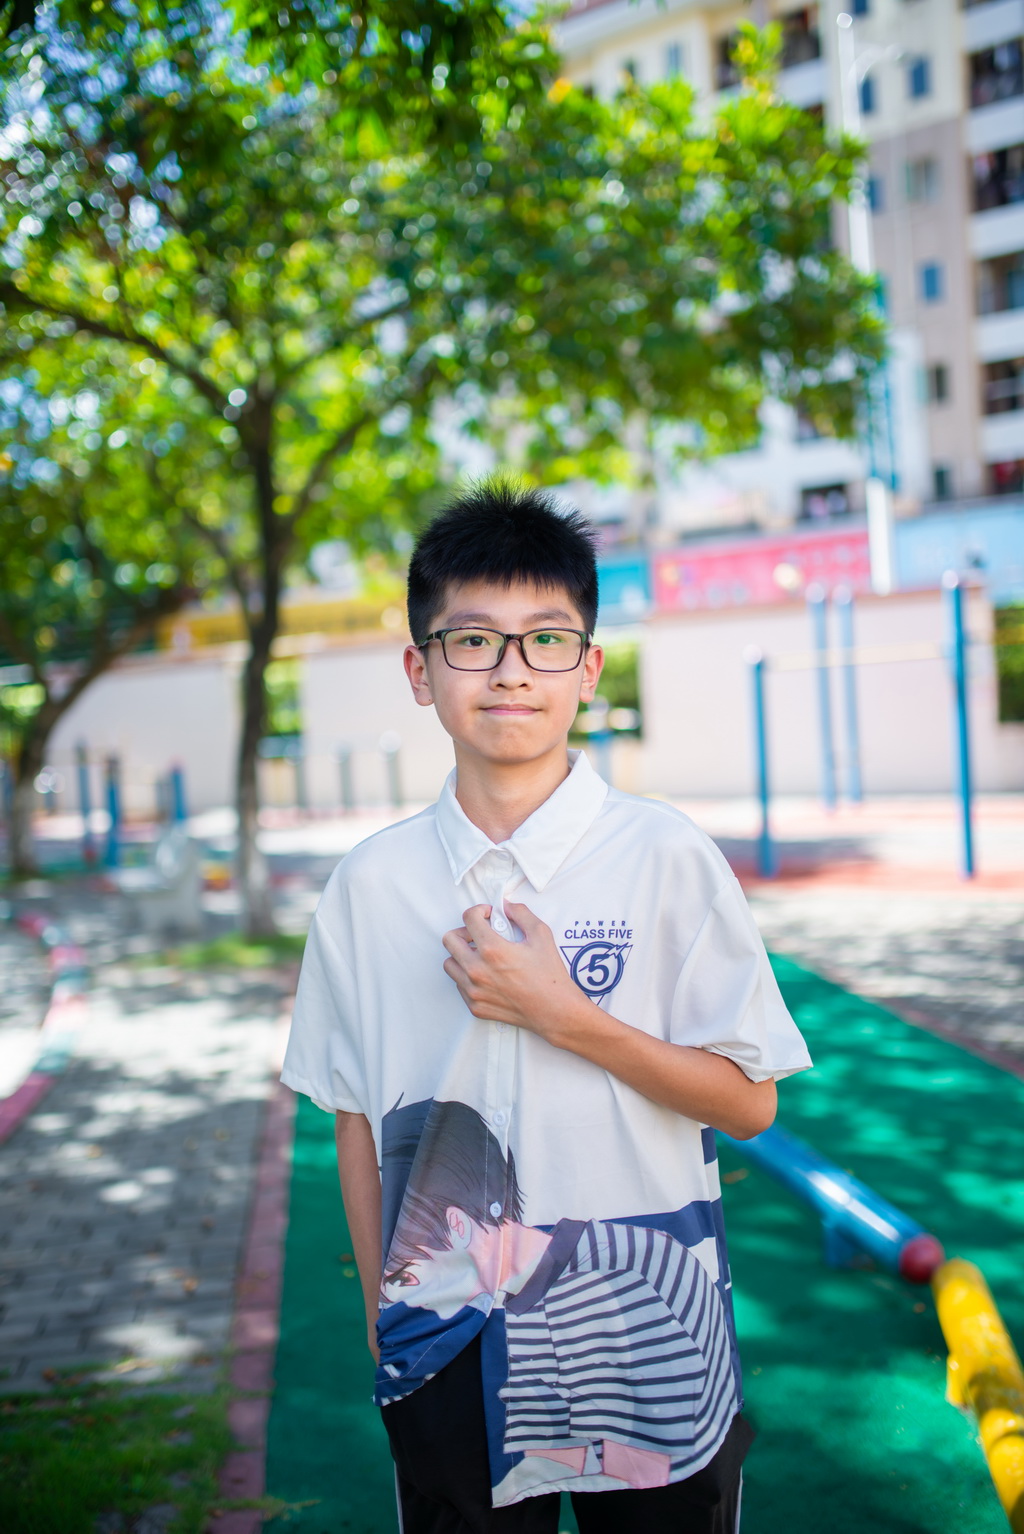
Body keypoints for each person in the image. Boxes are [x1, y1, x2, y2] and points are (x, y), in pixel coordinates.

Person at [281, 479, 813, 1533]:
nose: (512, 669)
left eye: (547, 639)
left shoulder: (665, 857)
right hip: (446, 1338)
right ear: (420, 670)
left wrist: (566, 1016)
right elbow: (353, 1119)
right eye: (473, 639)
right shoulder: (369, 886)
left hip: (645, 1342)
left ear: (589, 668)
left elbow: (750, 1104)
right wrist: (384, 1309)